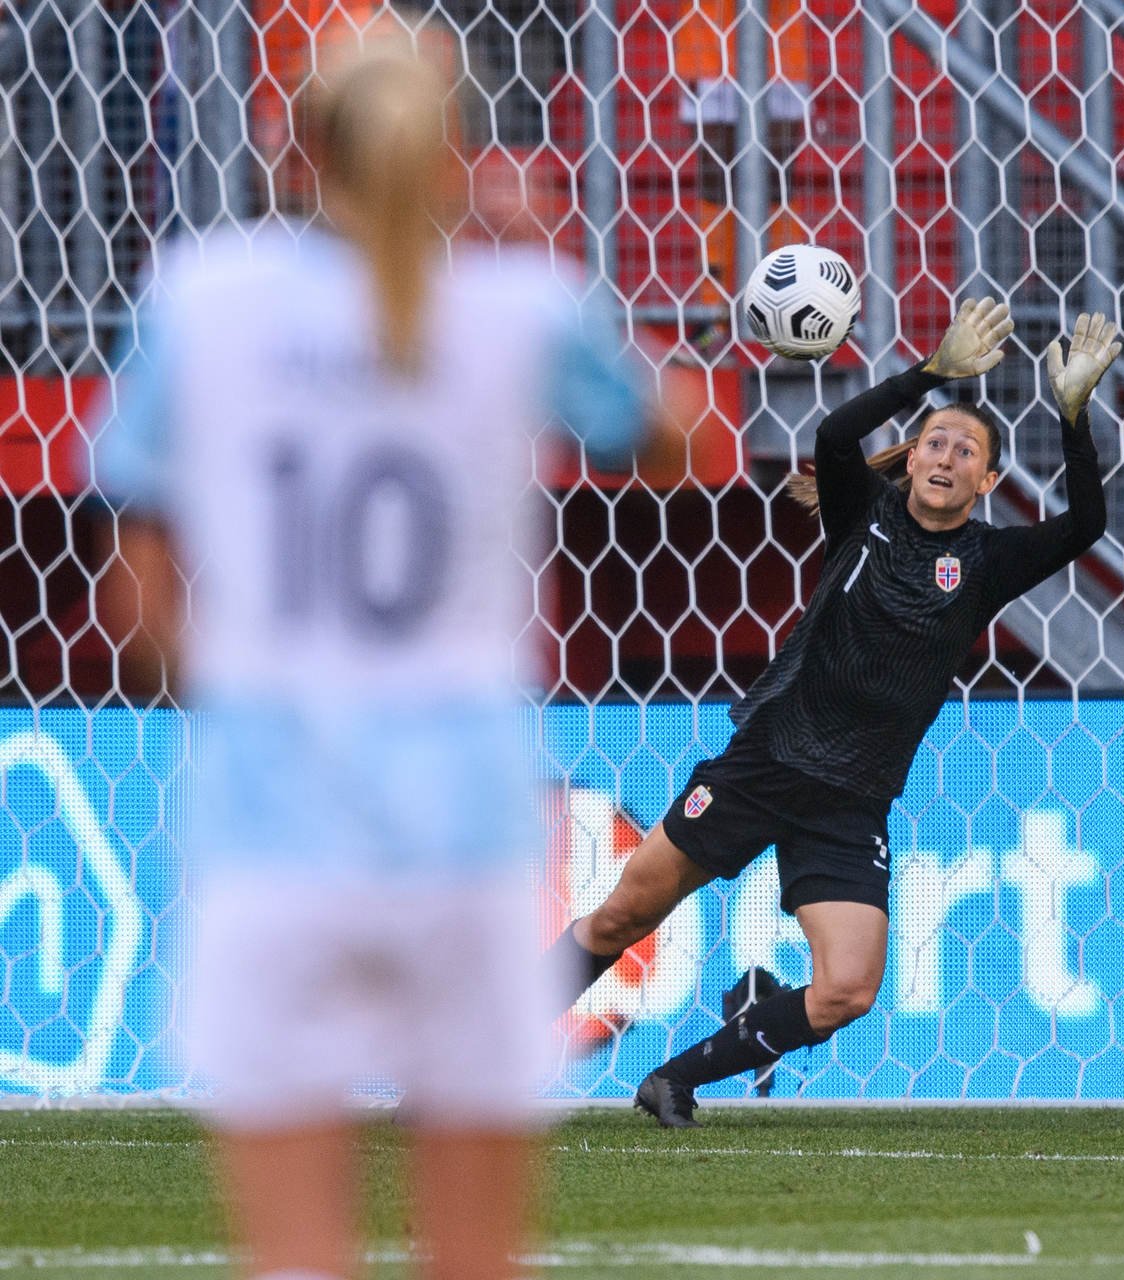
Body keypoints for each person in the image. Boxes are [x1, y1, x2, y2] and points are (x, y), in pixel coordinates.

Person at [89, 24, 678, 1279]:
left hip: (272, 819)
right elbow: (670, 442)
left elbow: (133, 610)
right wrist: (543, 251)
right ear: (455, 151)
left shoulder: (203, 296)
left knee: (297, 1259)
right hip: (464, 828)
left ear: (293, 147)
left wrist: (244, 692)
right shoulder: (523, 307)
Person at [545, 302, 1119, 1127]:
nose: (947, 457)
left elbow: (1087, 523)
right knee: (623, 915)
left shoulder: (988, 562)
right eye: (936, 442)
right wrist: (931, 371)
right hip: (766, 763)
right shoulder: (864, 515)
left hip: (850, 800)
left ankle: (673, 1079)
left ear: (988, 482)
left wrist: (1073, 416)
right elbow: (835, 436)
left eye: (967, 451)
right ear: (912, 459)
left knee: (847, 988)